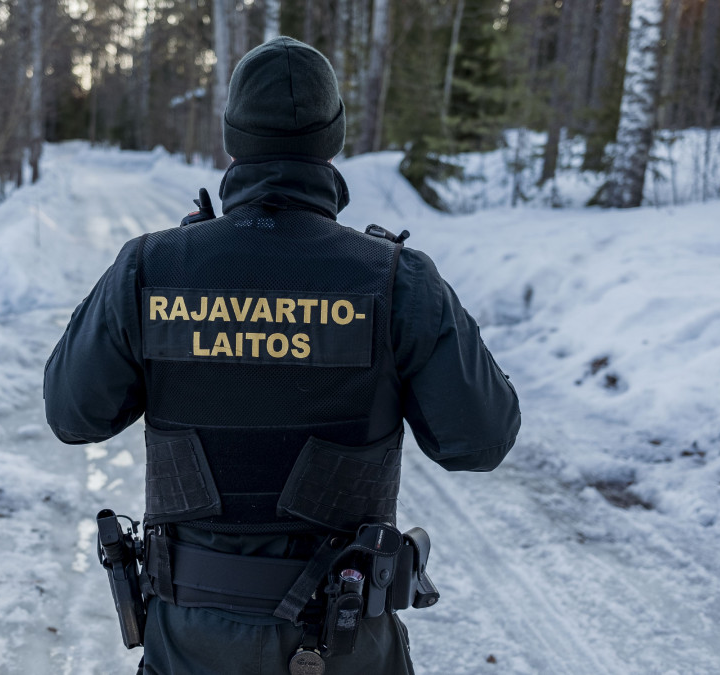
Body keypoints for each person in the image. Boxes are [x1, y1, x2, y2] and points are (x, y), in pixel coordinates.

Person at [44, 36, 520, 675]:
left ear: (232, 138)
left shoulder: (152, 267)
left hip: (192, 643)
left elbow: (73, 413)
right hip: (343, 642)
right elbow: (479, 441)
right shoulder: (394, 278)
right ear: (334, 139)